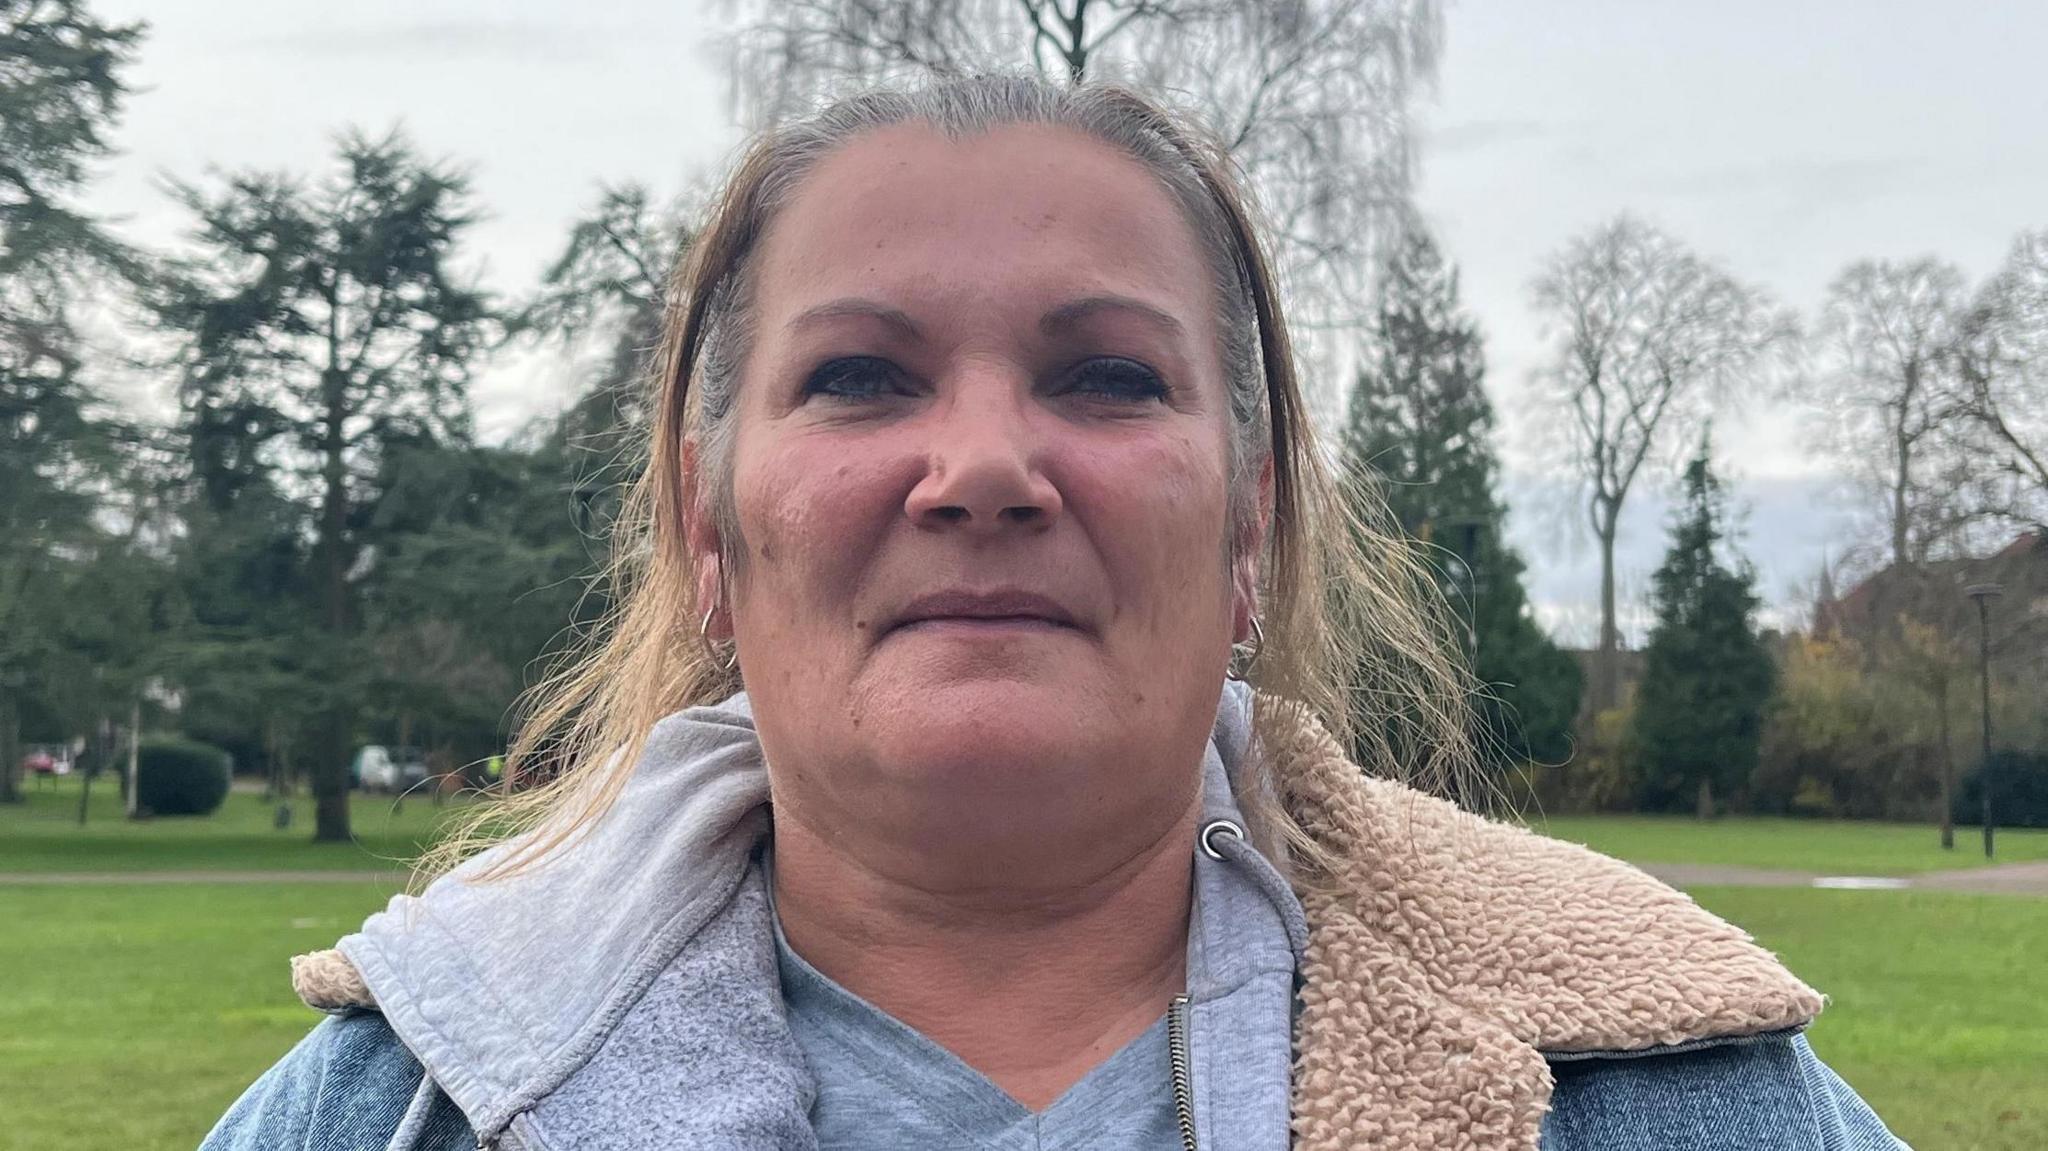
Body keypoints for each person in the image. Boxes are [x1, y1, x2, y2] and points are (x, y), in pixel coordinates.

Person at [202, 74, 1906, 1151]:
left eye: (1104, 377)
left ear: (1249, 530)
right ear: (708, 535)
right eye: (863, 378)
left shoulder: (1679, 1095)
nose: (988, 467)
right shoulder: (388, 1110)